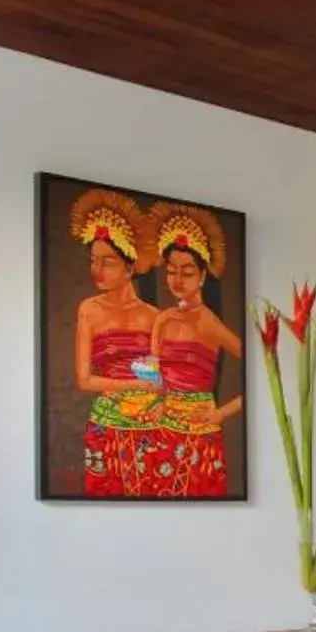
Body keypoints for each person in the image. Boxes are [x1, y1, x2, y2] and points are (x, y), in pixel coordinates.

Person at [141, 205, 243, 498]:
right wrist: (156, 402)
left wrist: (221, 413)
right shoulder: (162, 319)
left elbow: (263, 370)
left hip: (200, 431)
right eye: (171, 271)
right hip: (163, 429)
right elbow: (153, 374)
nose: (177, 280)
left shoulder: (209, 321)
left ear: (202, 276)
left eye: (186, 272)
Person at [68, 191, 160, 497]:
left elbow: (155, 378)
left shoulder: (152, 316)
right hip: (106, 421)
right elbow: (84, 379)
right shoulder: (89, 310)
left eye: (108, 262)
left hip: (148, 423)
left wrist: (147, 389)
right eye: (94, 261)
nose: (97, 270)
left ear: (130, 267)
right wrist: (133, 383)